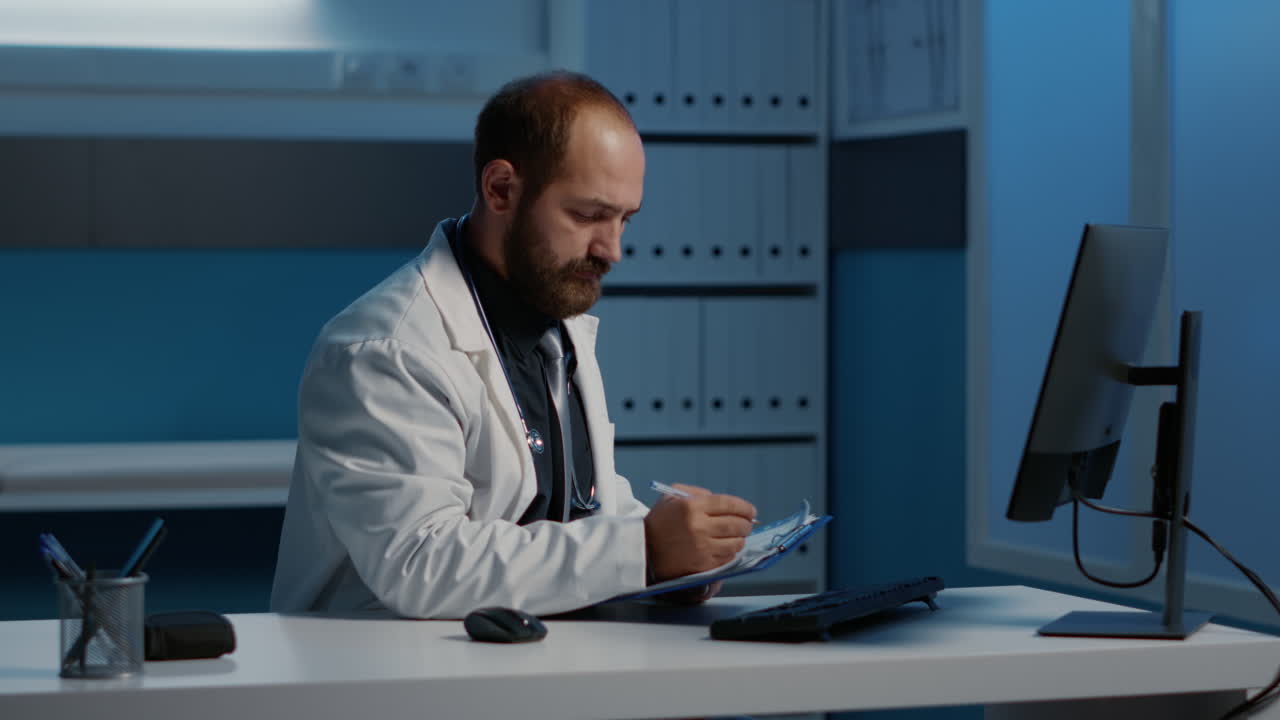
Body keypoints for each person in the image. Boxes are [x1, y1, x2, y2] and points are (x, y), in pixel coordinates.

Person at [270, 71, 758, 619]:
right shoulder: (385, 349)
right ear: (501, 189)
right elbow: (419, 563)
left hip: (525, 653)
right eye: (589, 215)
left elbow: (580, 511)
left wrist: (672, 562)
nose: (612, 250)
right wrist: (642, 550)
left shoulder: (553, 322)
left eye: (625, 219)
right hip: (384, 664)